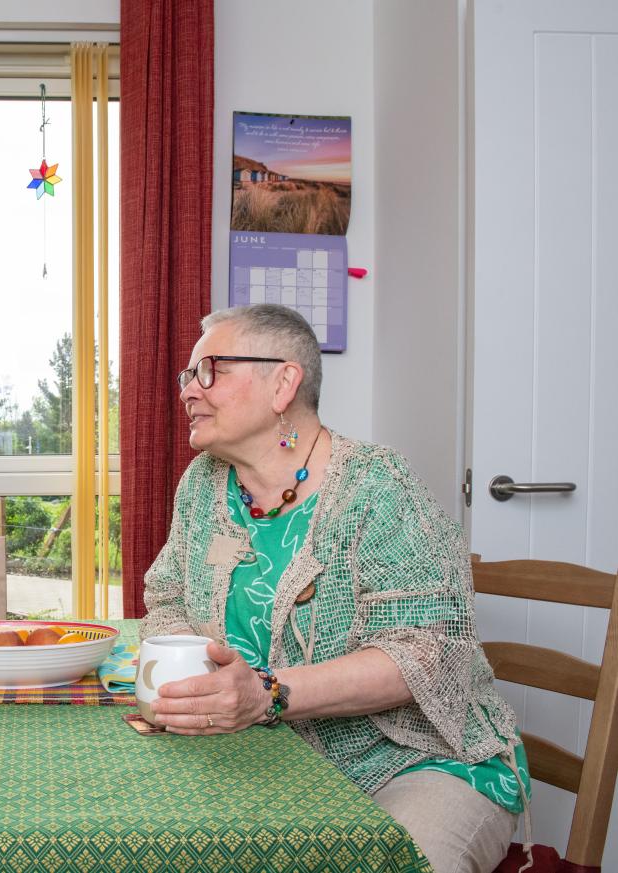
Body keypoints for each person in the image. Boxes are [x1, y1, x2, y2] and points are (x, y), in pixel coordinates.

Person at [140, 304, 528, 873]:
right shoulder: (202, 486)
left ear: (283, 383)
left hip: (414, 762)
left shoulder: (377, 488)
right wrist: (189, 672)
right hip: (272, 757)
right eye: (187, 376)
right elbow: (168, 595)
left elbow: (430, 655)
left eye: (211, 370)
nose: (189, 392)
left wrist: (265, 693)